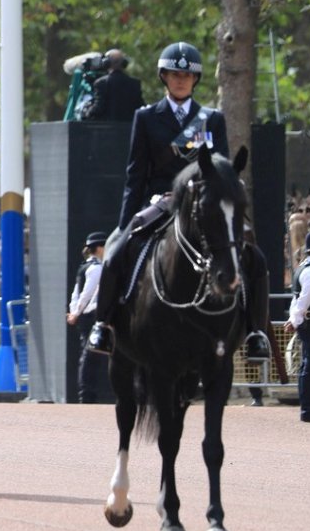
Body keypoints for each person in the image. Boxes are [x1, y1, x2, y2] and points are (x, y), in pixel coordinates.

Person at [87, 40, 270, 361]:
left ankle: (255, 332)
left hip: (205, 203)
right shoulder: (146, 117)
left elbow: (222, 168)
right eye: (174, 74)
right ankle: (103, 324)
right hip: (162, 200)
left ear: (196, 79)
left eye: (187, 75)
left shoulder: (211, 119)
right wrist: (125, 223)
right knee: (116, 252)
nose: (181, 80)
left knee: (254, 257)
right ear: (164, 77)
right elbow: (135, 173)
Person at [287, 225, 310, 424]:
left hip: (309, 324)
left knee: (309, 366)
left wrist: (294, 320)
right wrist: (296, 320)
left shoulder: (305, 268)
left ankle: (309, 408)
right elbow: (304, 301)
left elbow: (297, 301)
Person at [67, 232, 110, 403]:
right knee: (90, 356)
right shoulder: (97, 268)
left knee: (89, 355)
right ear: (99, 248)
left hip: (84, 316)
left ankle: (87, 394)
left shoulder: (84, 266)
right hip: (91, 315)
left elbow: (75, 294)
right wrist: (76, 313)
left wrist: (74, 312)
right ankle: (86, 395)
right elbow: (87, 294)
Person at [87, 50, 145, 124]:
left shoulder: (101, 83)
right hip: (129, 131)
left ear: (106, 63)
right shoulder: (135, 83)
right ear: (124, 64)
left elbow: (98, 108)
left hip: (107, 131)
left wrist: (87, 112)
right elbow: (140, 107)